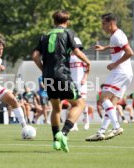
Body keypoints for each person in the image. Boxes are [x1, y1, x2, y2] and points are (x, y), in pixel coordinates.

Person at [32, 10, 91, 152]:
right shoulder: (69, 33)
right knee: (79, 104)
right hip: (62, 75)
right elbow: (77, 51)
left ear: (54, 21)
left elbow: (35, 56)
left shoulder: (44, 36)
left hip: (48, 77)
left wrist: (44, 70)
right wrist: (88, 62)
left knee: (56, 109)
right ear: (67, 21)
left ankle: (55, 141)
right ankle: (63, 133)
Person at [86, 13, 134, 141]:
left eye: (104, 24)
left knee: (102, 98)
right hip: (126, 73)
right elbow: (117, 47)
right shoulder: (116, 35)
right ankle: (101, 131)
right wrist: (104, 48)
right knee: (111, 103)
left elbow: (130, 52)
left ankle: (116, 126)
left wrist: (114, 64)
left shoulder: (117, 35)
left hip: (120, 71)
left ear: (111, 23)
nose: (102, 26)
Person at [70, 53, 94, 130]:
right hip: (72, 83)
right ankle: (74, 124)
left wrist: (85, 78)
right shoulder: (67, 57)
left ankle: (86, 121)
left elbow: (88, 66)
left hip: (81, 83)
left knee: (82, 104)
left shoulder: (81, 56)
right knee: (74, 104)